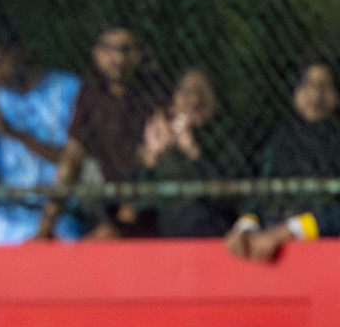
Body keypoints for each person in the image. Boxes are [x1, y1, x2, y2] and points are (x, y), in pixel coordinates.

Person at [38, 23, 167, 239]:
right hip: (102, 192)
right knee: (74, 163)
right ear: (97, 54)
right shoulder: (90, 92)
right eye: (109, 50)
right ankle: (47, 229)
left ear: (137, 54)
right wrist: (49, 218)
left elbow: (158, 153)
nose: (117, 58)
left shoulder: (153, 92)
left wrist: (133, 201)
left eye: (125, 50)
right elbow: (74, 149)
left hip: (145, 192)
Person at [0, 25, 81, 244]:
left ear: (19, 51)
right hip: (8, 223)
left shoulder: (68, 89)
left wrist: (12, 132)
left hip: (61, 218)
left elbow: (72, 159)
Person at [225, 59, 340, 261]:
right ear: (296, 94)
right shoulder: (279, 141)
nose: (316, 94)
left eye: (324, 86)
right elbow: (261, 191)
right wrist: (246, 224)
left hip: (324, 253)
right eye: (308, 85)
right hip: (270, 251)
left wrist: (289, 230)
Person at [134, 69, 245, 238]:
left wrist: (194, 152)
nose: (194, 99)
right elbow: (138, 202)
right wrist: (152, 157)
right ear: (174, 99)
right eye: (186, 91)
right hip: (168, 238)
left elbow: (228, 197)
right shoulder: (163, 140)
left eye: (203, 91)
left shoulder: (228, 136)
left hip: (213, 234)